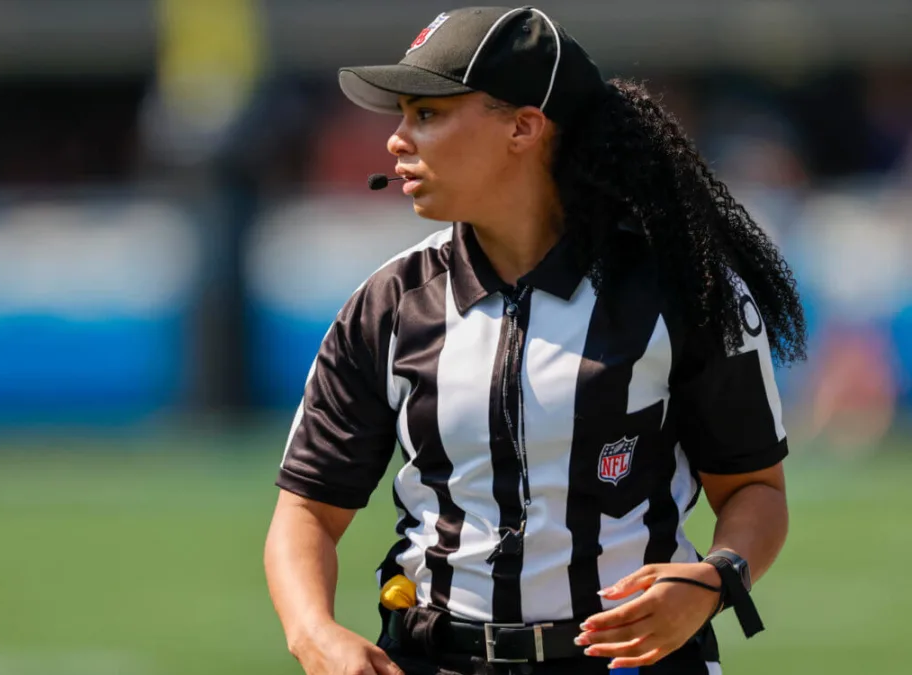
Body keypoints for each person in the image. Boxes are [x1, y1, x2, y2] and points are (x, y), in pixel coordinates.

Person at [264, 6, 807, 675]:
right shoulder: (389, 305)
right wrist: (313, 631)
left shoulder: (677, 291)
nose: (397, 141)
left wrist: (714, 579)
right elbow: (307, 510)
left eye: (427, 113)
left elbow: (756, 487)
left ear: (524, 125)